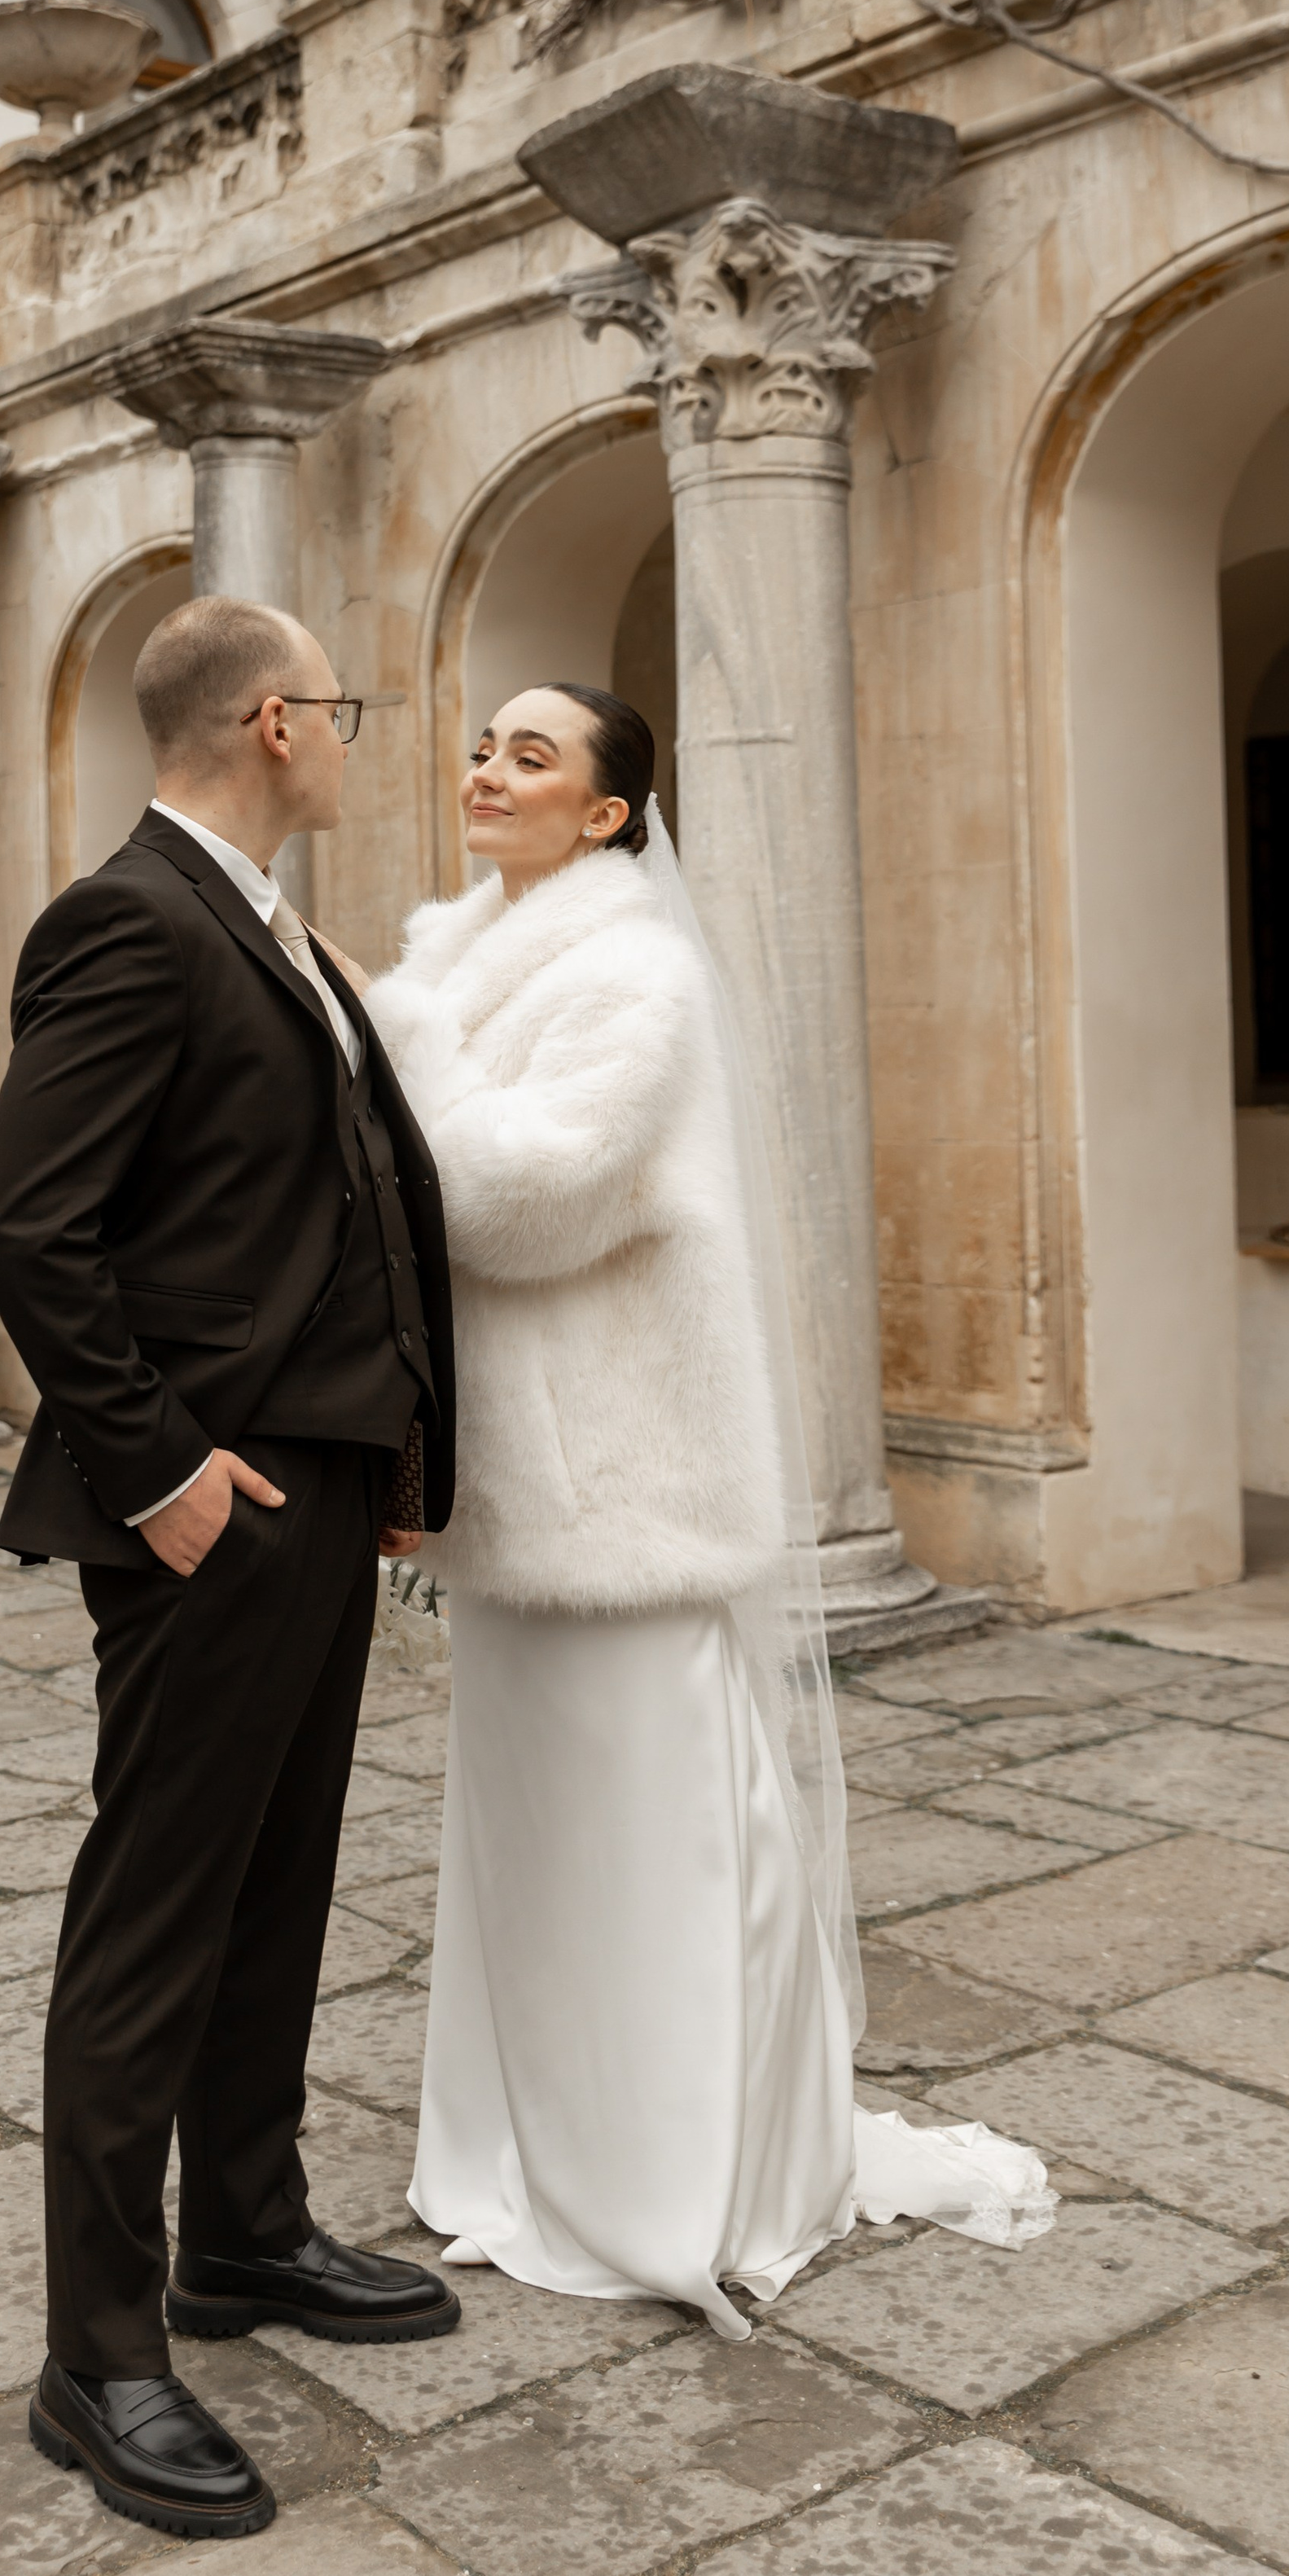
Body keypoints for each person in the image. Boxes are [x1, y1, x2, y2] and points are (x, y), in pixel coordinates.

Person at [364, 682, 1054, 2336]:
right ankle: (516, 2152)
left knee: (649, 1833)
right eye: (482, 744)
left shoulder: (635, 974)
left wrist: (392, 1042)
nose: (488, 771)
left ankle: (679, 2176)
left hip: (624, 1489)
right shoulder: (453, 956)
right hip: (516, 1486)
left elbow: (524, 1200)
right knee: (524, 1843)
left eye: (533, 755)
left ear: (606, 814)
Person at [0, 596, 462, 2544]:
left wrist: (401, 1456)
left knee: (280, 1875)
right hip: (208, 1501)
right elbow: (33, 1226)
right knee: (155, 1912)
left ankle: (243, 2236)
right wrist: (160, 1471)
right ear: (273, 722)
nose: (348, 734)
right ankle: (97, 2355)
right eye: (336, 708)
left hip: (326, 1483)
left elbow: (336, 1206)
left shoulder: (268, 926)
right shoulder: (126, 921)